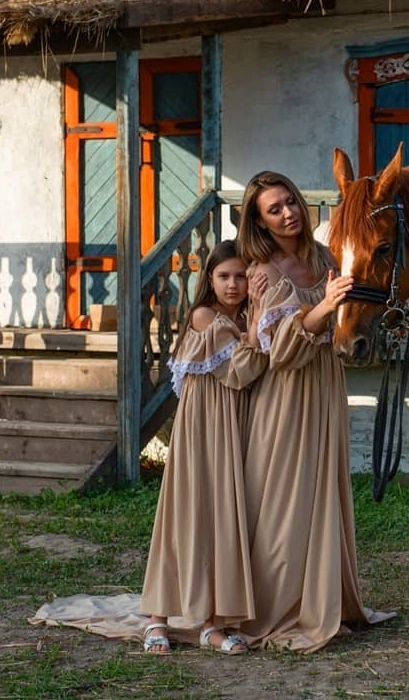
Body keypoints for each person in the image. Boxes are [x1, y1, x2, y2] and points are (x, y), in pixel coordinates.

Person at [236, 170, 394, 653]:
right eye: (274, 209)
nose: (288, 213)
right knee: (285, 498)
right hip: (286, 395)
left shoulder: (325, 256)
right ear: (260, 223)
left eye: (290, 202)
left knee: (323, 491)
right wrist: (325, 306)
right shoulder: (265, 272)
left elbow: (348, 312)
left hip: (325, 383)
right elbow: (280, 350)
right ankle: (280, 611)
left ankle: (322, 603)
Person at [139, 239, 268, 655]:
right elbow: (242, 371)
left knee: (221, 518)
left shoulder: (241, 318)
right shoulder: (205, 317)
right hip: (202, 425)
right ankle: (158, 617)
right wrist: (257, 326)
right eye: (224, 276)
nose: (233, 284)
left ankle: (211, 624)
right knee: (185, 513)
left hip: (231, 423)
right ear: (209, 279)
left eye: (241, 276)